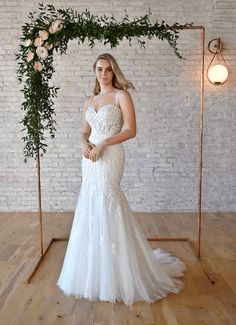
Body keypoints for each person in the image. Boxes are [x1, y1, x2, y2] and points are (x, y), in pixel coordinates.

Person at [56, 53, 186, 305]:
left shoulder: (120, 96)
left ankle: (119, 271)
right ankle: (93, 271)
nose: (103, 74)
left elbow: (131, 130)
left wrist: (104, 142)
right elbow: (84, 130)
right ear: (94, 71)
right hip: (89, 159)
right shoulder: (90, 100)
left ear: (114, 72)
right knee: (90, 202)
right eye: (98, 69)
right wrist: (84, 143)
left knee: (108, 199)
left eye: (107, 69)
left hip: (110, 155)